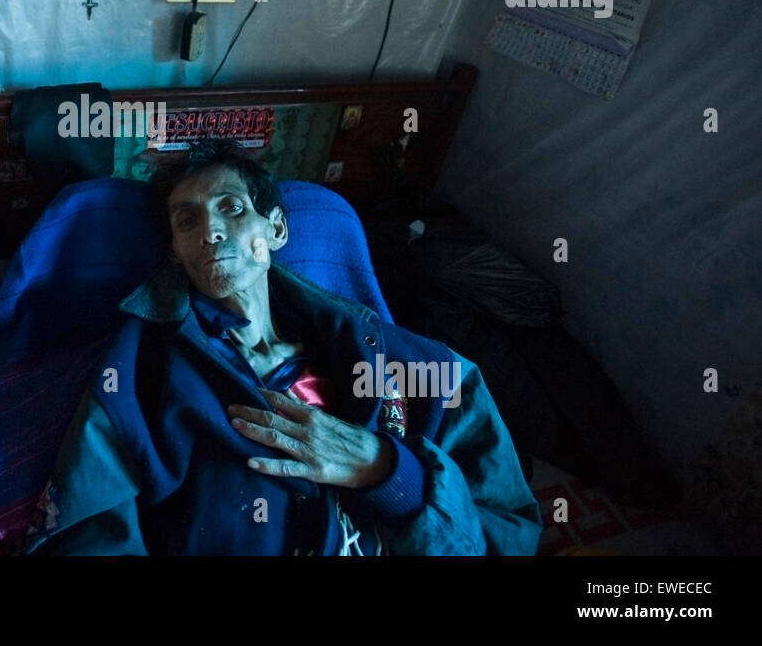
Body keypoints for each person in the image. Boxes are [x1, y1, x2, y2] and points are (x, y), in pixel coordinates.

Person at [27, 141, 542, 555]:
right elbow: (85, 524)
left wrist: (389, 472)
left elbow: (509, 527)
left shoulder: (397, 359)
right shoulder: (139, 370)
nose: (210, 231)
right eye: (187, 221)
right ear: (176, 254)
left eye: (231, 208)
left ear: (275, 229)